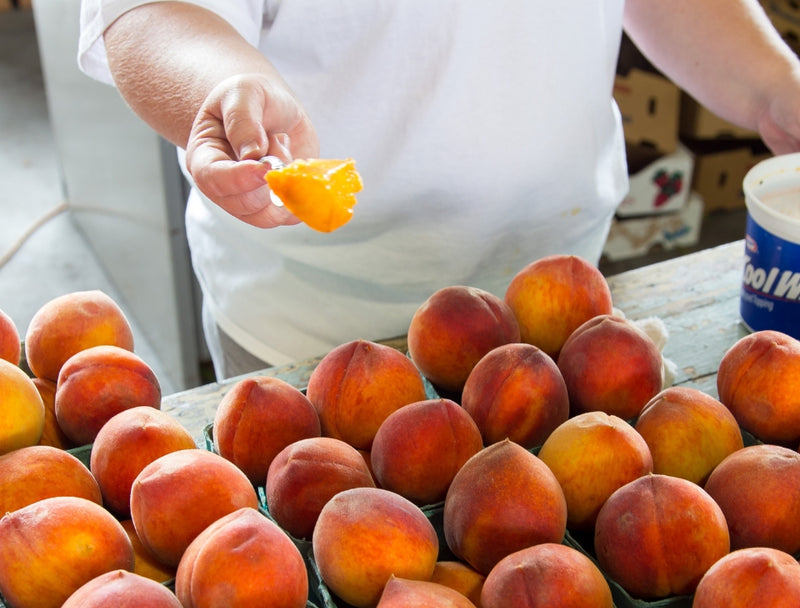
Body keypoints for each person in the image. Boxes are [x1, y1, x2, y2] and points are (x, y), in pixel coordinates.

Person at [78, 1, 800, 380]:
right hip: (317, 331)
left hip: (558, 298)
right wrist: (227, 90)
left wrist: (777, 88)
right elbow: (152, 10)